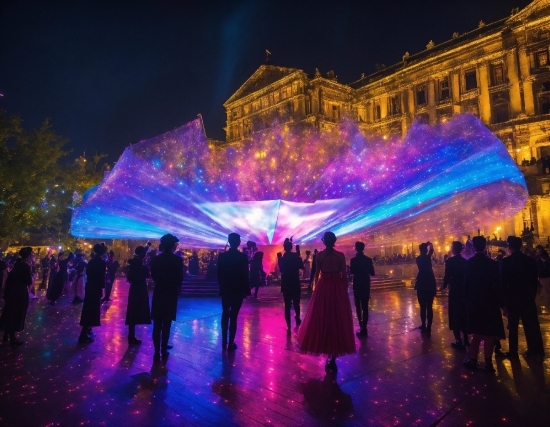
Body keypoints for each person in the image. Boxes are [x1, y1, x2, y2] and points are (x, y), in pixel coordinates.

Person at [297, 231, 355, 373]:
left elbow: (317, 276)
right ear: (334, 241)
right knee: (337, 318)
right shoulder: (340, 256)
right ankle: (333, 355)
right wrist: (344, 290)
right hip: (337, 286)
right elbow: (344, 276)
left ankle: (327, 351)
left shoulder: (320, 256)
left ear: (324, 241)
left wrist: (315, 290)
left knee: (323, 318)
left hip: (324, 286)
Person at [462, 236, 505, 372]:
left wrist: (466, 301)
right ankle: (488, 363)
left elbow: (466, 285)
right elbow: (497, 286)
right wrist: (501, 304)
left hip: (475, 303)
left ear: (473, 247)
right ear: (485, 246)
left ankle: (473, 360)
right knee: (489, 335)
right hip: (490, 303)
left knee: (476, 333)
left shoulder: (469, 263)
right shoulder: (492, 264)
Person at [501, 236, 545, 359]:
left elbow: (503, 283)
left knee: (513, 327)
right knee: (531, 326)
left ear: (510, 247)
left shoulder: (506, 262)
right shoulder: (530, 261)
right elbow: (534, 281)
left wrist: (503, 302)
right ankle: (535, 350)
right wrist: (532, 295)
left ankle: (513, 351)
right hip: (527, 298)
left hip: (513, 298)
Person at [150, 234, 183, 361]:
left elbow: (154, 276)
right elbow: (180, 279)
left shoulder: (155, 260)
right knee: (167, 324)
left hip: (159, 292)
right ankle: (163, 350)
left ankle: (156, 351)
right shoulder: (177, 261)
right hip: (171, 293)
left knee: (157, 324)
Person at [217, 232, 250, 351]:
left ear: (229, 241)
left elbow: (219, 274)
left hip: (226, 288)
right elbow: (245, 275)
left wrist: (222, 285)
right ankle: (231, 342)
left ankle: (224, 341)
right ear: (239, 242)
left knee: (225, 313)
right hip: (238, 289)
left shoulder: (222, 256)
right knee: (234, 316)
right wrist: (247, 290)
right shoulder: (243, 257)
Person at [0, 247, 34, 346]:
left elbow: (9, 280)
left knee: (10, 312)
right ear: (28, 256)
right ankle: (12, 338)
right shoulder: (25, 267)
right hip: (20, 293)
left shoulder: (17, 265)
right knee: (16, 314)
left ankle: (6, 334)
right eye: (31, 255)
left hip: (12, 292)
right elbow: (28, 281)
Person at [79, 244, 107, 343]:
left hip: (90, 286)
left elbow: (88, 273)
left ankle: (88, 331)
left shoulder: (91, 261)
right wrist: (103, 289)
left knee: (88, 308)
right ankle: (84, 334)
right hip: (96, 288)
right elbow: (101, 277)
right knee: (92, 309)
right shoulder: (102, 263)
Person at [443, 241, 469, 348]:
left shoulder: (450, 261)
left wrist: (443, 286)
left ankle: (458, 340)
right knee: (463, 314)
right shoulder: (465, 261)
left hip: (454, 291)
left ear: (454, 249)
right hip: (463, 291)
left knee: (454, 314)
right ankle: (466, 339)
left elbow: (447, 275)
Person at [125, 246, 151, 345]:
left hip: (134, 288)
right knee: (138, 310)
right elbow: (148, 276)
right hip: (141, 288)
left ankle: (131, 335)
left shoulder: (132, 265)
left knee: (132, 311)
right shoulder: (143, 267)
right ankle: (132, 336)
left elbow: (129, 278)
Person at [278, 238, 304, 334]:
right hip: (295, 281)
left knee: (287, 305)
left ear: (284, 248)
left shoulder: (281, 259)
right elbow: (302, 266)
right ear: (291, 247)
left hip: (286, 282)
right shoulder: (297, 257)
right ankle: (297, 318)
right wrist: (298, 254)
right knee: (297, 302)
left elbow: (281, 270)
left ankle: (288, 325)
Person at [349, 241, 375, 337]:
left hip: (357, 284)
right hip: (365, 284)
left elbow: (351, 272)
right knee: (365, 306)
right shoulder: (368, 260)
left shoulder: (353, 260)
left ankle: (361, 326)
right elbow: (372, 273)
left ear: (356, 248)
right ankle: (364, 327)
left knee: (358, 306)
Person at [414, 242, 436, 336]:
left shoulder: (418, 258)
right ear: (426, 250)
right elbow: (431, 250)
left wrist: (426, 245)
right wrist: (430, 244)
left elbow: (429, 251)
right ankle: (429, 327)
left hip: (421, 281)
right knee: (429, 306)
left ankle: (423, 325)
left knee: (422, 307)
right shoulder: (428, 257)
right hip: (430, 282)